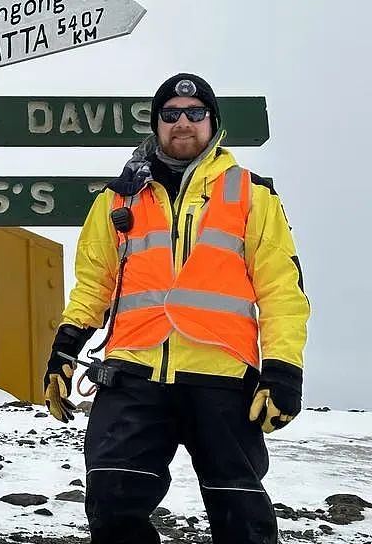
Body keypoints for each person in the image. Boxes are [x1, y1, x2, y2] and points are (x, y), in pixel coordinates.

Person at [42, 73, 310, 543]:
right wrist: (65, 350)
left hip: (222, 378)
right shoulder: (117, 198)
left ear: (213, 123)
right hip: (132, 375)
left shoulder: (252, 194)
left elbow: (282, 290)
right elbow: (92, 285)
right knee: (110, 502)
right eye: (170, 114)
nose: (182, 122)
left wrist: (283, 370)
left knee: (241, 517)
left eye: (194, 112)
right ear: (156, 124)